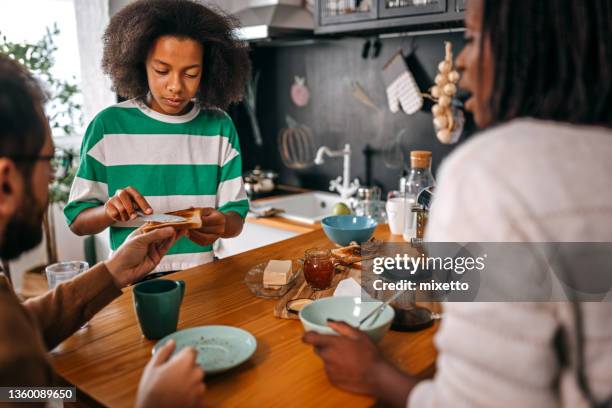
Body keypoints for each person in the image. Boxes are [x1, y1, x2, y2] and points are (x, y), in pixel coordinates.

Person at [303, 0, 612, 406]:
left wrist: (374, 374)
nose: (461, 62)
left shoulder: (493, 170)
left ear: (531, 46)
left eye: (472, 38)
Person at [0, 54, 205, 407]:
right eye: (51, 164)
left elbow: (18, 358)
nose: (51, 183)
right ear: (6, 183)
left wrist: (113, 272)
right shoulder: (12, 357)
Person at [64, 0, 251, 272]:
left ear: (208, 71)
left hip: (202, 276)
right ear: (140, 64)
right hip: (128, 279)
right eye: (162, 71)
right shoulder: (108, 126)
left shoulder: (219, 127)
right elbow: (77, 220)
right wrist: (109, 210)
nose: (175, 86)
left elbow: (236, 217)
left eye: (191, 73)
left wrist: (222, 223)